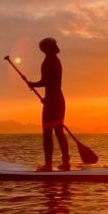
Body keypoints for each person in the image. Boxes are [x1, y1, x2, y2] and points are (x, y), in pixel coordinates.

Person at [28, 37, 70, 171]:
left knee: (50, 133)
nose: (41, 49)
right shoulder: (49, 60)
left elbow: (49, 82)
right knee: (57, 132)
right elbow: (48, 82)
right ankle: (62, 163)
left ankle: (50, 165)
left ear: (48, 47)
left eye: (43, 47)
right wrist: (46, 97)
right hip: (53, 100)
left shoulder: (53, 61)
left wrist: (33, 84)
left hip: (55, 101)